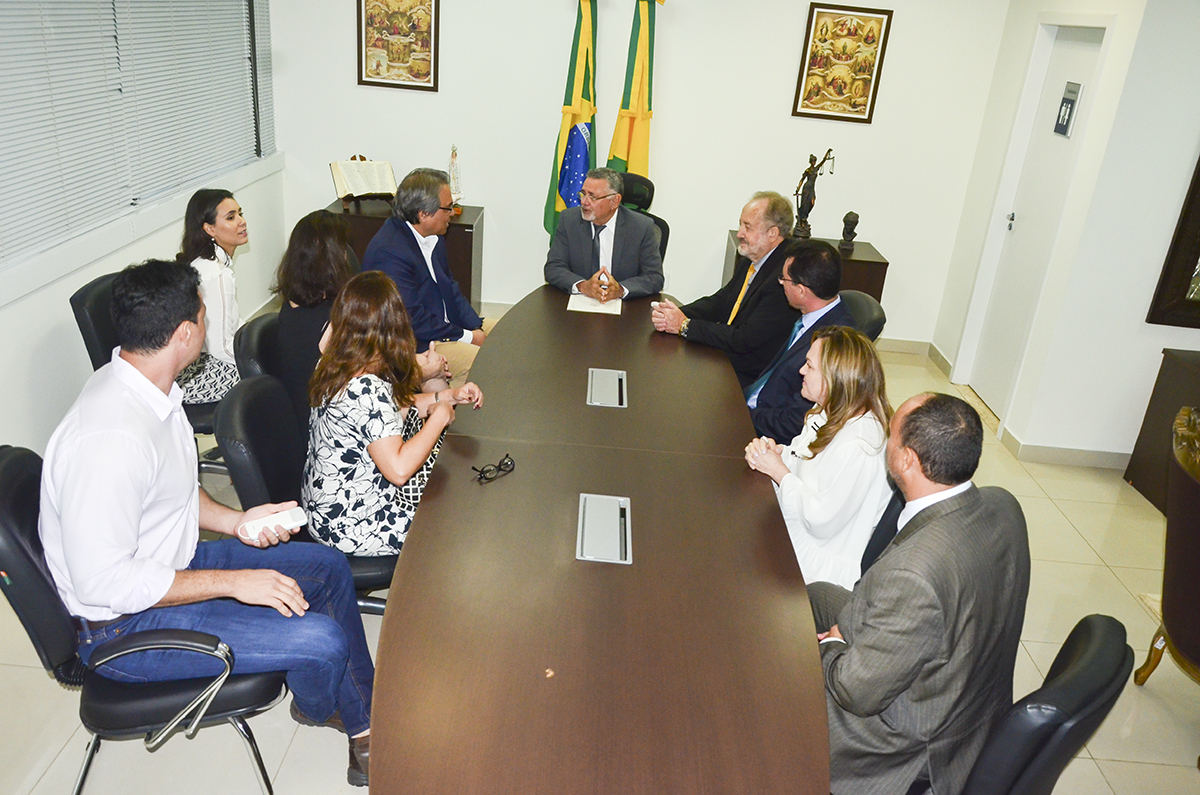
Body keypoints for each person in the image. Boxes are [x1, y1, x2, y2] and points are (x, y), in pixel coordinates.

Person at [39, 259, 375, 786]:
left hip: (171, 562)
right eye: (202, 312)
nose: (206, 320)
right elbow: (104, 583)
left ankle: (363, 723)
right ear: (184, 333)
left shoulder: (148, 388)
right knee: (324, 642)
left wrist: (238, 522)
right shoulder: (108, 442)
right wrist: (235, 583)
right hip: (124, 627)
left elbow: (172, 492)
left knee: (328, 567)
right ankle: (322, 707)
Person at [807, 392, 1030, 795]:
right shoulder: (1003, 505)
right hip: (958, 687)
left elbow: (854, 692)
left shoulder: (913, 575)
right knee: (817, 594)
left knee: (773, 682)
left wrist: (833, 644)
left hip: (905, 743)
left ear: (907, 460)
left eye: (891, 436)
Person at [303, 272, 483, 557]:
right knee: (456, 516)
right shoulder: (366, 388)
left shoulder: (335, 364)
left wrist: (447, 397)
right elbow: (398, 470)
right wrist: (439, 418)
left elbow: (388, 411)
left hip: (326, 510)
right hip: (355, 524)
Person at [744, 326, 892, 590]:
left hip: (819, 565)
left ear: (834, 378)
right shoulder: (828, 409)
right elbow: (802, 457)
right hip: (800, 531)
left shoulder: (859, 446)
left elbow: (820, 521)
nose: (801, 371)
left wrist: (779, 472)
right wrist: (777, 454)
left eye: (810, 366)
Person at [272, 211, 450, 428]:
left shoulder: (299, 305)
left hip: (349, 405)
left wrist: (419, 363)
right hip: (340, 422)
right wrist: (425, 371)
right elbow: (370, 386)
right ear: (332, 259)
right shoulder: (329, 325)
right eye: (343, 250)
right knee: (434, 381)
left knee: (431, 374)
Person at [651, 191, 800, 387]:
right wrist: (675, 314)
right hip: (727, 357)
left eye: (748, 227)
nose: (739, 234)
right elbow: (721, 301)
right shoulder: (754, 258)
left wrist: (685, 325)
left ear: (772, 233)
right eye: (740, 224)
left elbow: (744, 338)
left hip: (749, 376)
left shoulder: (784, 278)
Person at [362, 167, 494, 384]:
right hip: (420, 342)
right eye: (448, 208)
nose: (453, 213)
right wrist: (469, 337)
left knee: (506, 333)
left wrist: (475, 327)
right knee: (486, 363)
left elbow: (450, 287)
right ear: (423, 214)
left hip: (445, 326)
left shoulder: (433, 236)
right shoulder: (390, 253)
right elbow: (412, 319)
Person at [745, 239, 856, 442]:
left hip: (768, 430)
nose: (780, 283)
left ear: (802, 290)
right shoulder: (813, 313)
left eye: (784, 279)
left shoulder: (830, 344)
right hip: (756, 400)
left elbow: (795, 422)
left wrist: (742, 415)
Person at [543, 167, 664, 301]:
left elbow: (654, 277)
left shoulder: (641, 227)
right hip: (580, 302)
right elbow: (553, 267)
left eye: (592, 197)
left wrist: (620, 290)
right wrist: (583, 286)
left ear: (615, 201)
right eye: (583, 194)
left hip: (625, 306)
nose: (584, 202)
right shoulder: (569, 220)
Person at [176, 188, 245, 403]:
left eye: (240, 214)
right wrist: (258, 362)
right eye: (231, 217)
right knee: (271, 376)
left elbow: (233, 324)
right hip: (195, 374)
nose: (242, 222)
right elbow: (220, 349)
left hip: (191, 364)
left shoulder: (206, 263)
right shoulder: (216, 275)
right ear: (209, 228)